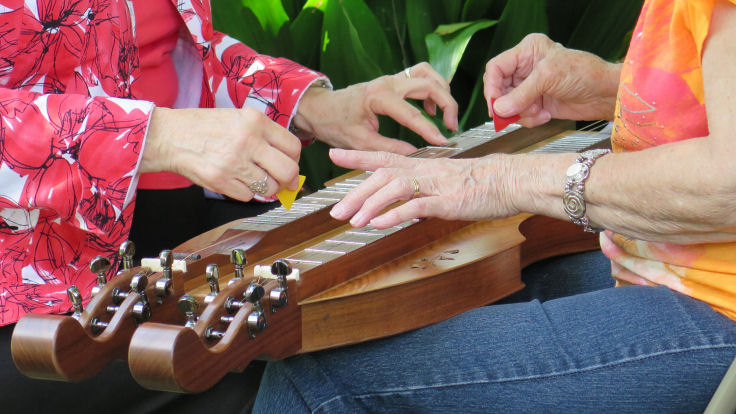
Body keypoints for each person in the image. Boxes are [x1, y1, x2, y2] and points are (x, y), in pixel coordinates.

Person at [253, 0, 736, 412]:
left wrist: (500, 178)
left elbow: (729, 183)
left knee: (317, 376)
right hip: (674, 268)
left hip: (720, 310)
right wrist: (612, 87)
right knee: (463, 293)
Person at [0, 1, 458, 412]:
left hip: (176, 227)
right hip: (31, 287)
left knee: (366, 306)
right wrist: (156, 136)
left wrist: (311, 105)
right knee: (285, 373)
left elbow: (173, 47)